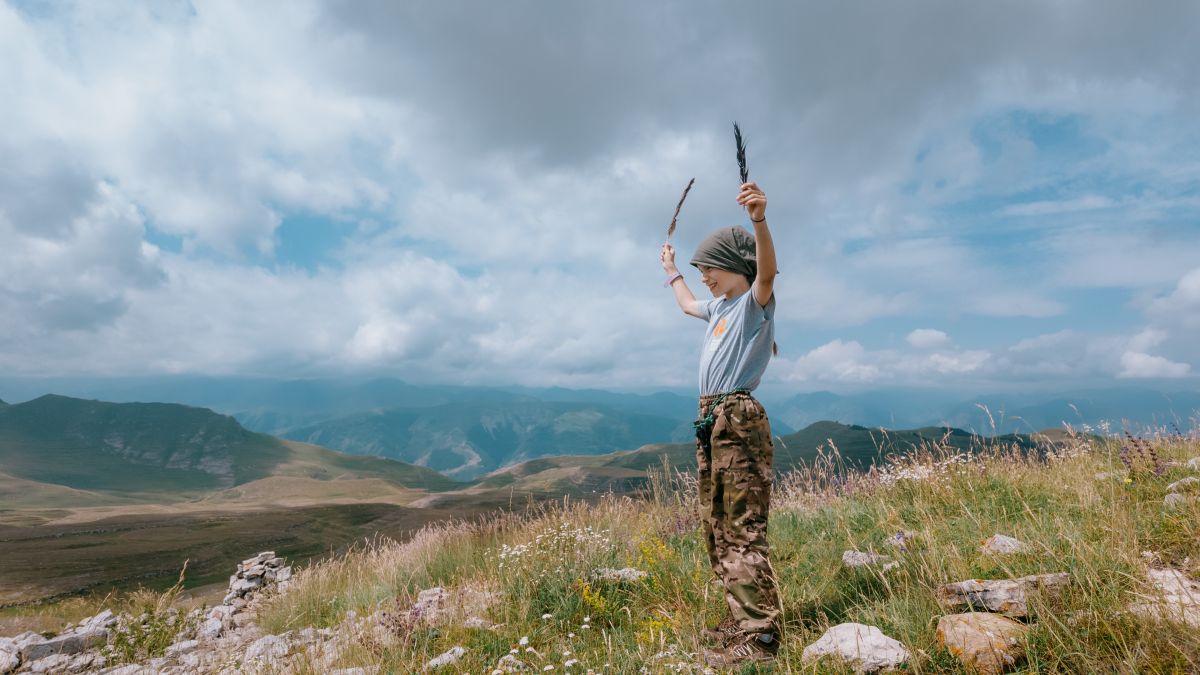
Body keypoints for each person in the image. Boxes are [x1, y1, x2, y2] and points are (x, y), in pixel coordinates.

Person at [659, 181, 781, 666]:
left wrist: (759, 220)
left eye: (707, 266)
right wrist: (670, 272)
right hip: (712, 418)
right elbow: (688, 303)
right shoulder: (718, 309)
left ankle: (763, 635)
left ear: (735, 265)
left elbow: (768, 271)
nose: (703, 275)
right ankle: (741, 617)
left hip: (736, 416)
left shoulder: (755, 303)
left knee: (742, 525)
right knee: (718, 525)